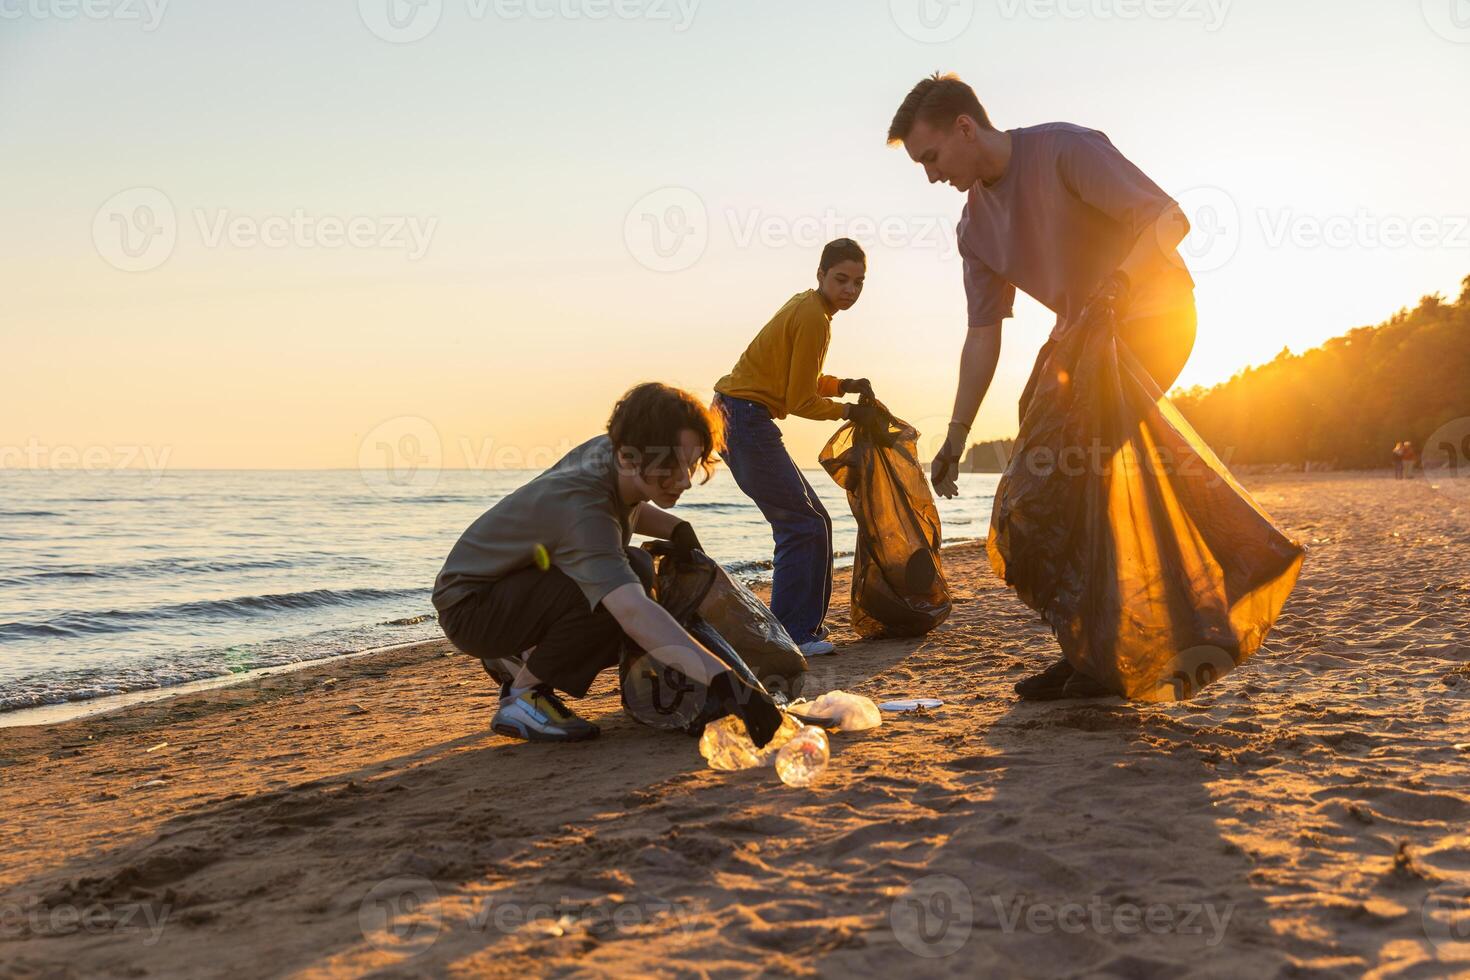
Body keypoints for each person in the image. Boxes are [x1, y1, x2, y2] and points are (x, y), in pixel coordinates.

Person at [888, 73, 1197, 700]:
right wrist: (955, 434)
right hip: (1081, 339)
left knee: (1073, 477)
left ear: (966, 128)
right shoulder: (973, 229)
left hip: (1153, 318)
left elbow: (1170, 219)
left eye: (931, 157)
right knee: (1040, 492)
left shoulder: (1064, 149)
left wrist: (1119, 285)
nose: (929, 176)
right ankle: (1089, 648)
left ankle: (1103, 654)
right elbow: (982, 337)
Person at [433, 382, 782, 744]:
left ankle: (519, 654)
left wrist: (677, 529)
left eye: (691, 464)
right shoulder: (583, 509)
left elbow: (628, 502)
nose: (686, 481)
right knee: (622, 591)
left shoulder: (614, 452)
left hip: (511, 586)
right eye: (672, 466)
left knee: (635, 569)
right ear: (631, 457)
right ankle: (522, 696)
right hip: (473, 610)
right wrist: (723, 680)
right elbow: (633, 612)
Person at [713, 239, 878, 657]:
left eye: (859, 283)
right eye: (841, 279)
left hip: (741, 415)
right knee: (800, 525)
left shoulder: (809, 307)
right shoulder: (814, 317)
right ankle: (792, 634)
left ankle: (804, 629)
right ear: (820, 274)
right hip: (744, 419)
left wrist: (843, 385)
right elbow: (800, 400)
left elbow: (799, 378)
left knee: (815, 519)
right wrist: (848, 412)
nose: (850, 290)